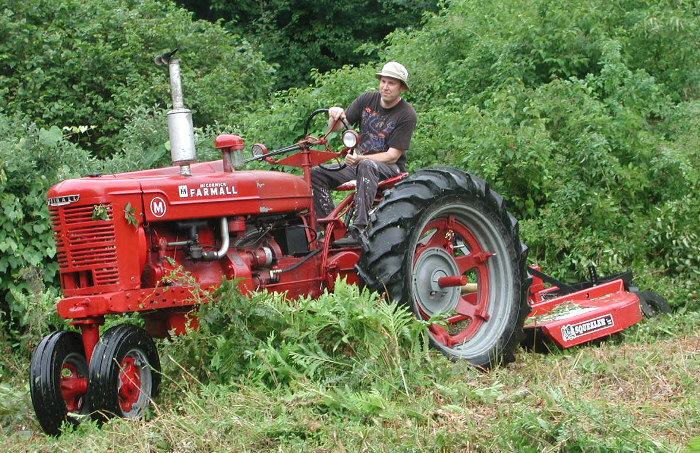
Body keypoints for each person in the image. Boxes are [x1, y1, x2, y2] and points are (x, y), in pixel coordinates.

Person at [311, 61, 417, 247]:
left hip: (390, 168)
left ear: (401, 87)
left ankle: (358, 228)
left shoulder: (407, 114)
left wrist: (360, 158)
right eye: (383, 81)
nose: (385, 87)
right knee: (317, 174)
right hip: (359, 163)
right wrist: (334, 115)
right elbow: (337, 127)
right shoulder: (367, 99)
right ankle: (331, 228)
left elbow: (393, 155)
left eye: (391, 83)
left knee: (367, 165)